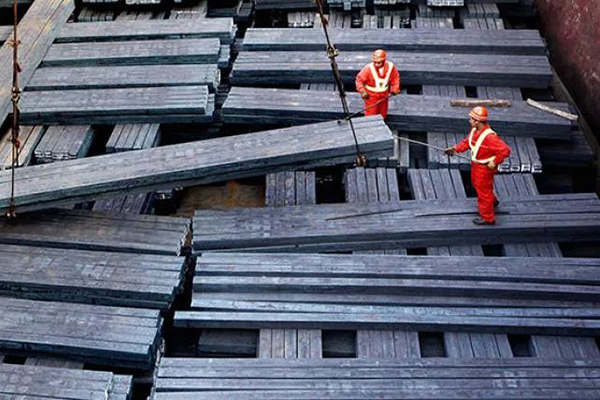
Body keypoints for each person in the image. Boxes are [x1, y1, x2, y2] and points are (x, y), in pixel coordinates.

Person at [445, 106, 511, 226]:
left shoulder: (490, 137)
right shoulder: (475, 131)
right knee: (478, 185)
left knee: (483, 191)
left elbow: (505, 150)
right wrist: (455, 149)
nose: (469, 121)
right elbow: (467, 143)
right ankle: (493, 202)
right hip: (476, 165)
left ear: (477, 121)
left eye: (471, 119)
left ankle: (488, 218)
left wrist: (495, 161)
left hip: (484, 168)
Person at [355, 49, 400, 119]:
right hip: (371, 96)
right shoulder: (368, 69)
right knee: (371, 114)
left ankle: (381, 122)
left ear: (384, 61)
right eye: (375, 62)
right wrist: (362, 91)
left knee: (382, 112)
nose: (376, 64)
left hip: (384, 95)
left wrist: (395, 88)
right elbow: (359, 80)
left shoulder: (391, 67)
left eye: (379, 62)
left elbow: (395, 77)